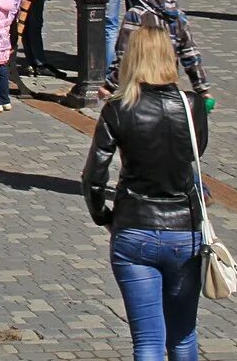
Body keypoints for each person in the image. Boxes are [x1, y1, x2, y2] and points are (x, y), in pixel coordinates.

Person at [82, 23, 210, 361]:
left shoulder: (118, 107)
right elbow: (195, 153)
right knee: (183, 337)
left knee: (148, 343)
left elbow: (94, 176)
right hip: (185, 231)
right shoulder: (191, 104)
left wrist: (104, 217)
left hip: (134, 227)